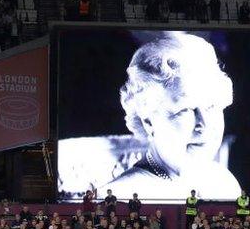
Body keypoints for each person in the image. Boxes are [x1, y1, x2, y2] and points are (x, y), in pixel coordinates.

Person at [102, 32, 241, 200]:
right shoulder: (119, 198)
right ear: (148, 121)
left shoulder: (225, 183)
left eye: (212, 106)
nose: (204, 125)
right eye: (185, 109)